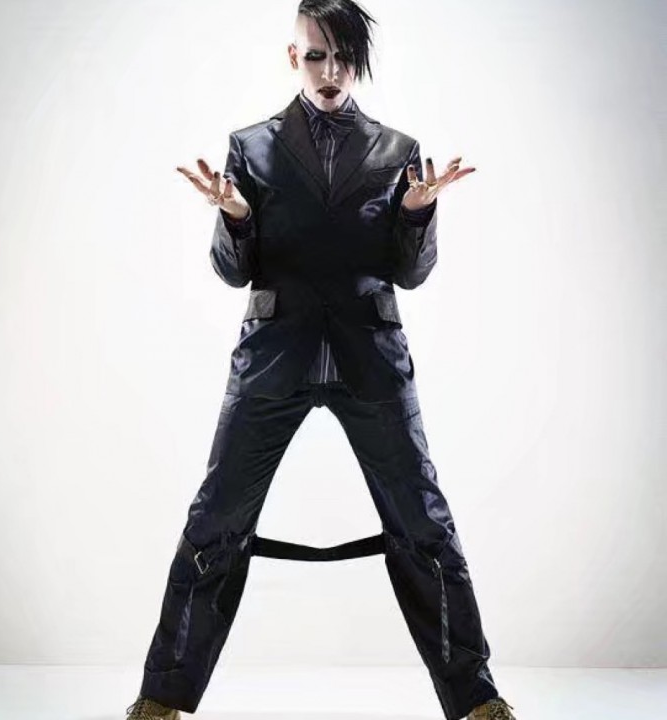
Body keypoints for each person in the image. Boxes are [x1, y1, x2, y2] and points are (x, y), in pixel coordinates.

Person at [125, 2, 517, 719]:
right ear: (292, 57)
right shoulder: (251, 147)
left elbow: (410, 273)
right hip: (274, 356)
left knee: (424, 525)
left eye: (343, 57)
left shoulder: (397, 150)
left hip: (372, 358)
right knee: (215, 521)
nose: (330, 71)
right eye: (316, 56)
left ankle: (477, 700)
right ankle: (161, 698)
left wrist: (417, 213)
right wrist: (235, 216)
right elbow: (234, 272)